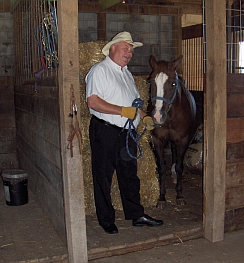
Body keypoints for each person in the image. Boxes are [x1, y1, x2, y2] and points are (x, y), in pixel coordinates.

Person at [85, 31, 163, 234]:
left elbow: (134, 106)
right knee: (103, 176)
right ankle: (106, 219)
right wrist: (122, 111)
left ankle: (136, 215)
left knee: (129, 175)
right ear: (112, 48)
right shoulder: (99, 71)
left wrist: (144, 116)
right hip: (105, 130)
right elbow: (92, 102)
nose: (129, 53)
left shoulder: (127, 75)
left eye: (131, 50)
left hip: (126, 133)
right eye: (125, 48)